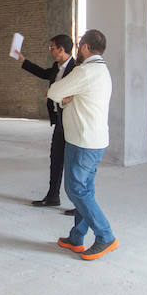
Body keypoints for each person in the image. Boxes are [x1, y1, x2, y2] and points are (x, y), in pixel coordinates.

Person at [45, 28, 117, 260]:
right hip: (93, 139)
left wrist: (64, 97)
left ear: (85, 47)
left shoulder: (85, 71)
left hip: (83, 140)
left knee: (75, 189)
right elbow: (78, 101)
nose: (78, 50)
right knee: (86, 189)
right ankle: (77, 237)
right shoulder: (102, 70)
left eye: (79, 46)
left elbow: (54, 91)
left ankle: (105, 235)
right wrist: (69, 100)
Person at [11, 34, 76, 209]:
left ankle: (81, 206)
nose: (50, 51)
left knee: (74, 164)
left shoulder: (76, 68)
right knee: (56, 158)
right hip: (60, 122)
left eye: (52, 48)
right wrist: (23, 61)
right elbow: (44, 73)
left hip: (72, 123)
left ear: (61, 49)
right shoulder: (57, 67)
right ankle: (53, 196)